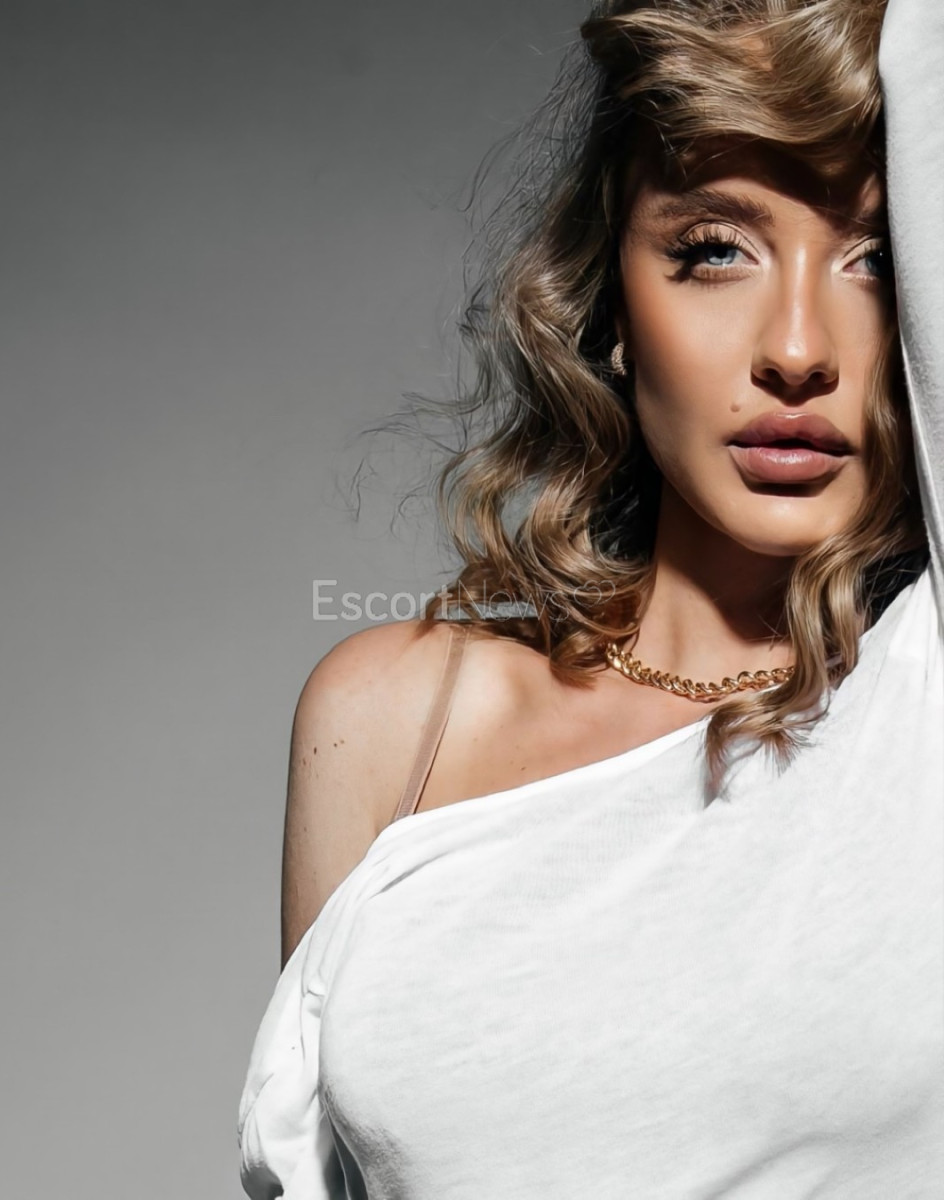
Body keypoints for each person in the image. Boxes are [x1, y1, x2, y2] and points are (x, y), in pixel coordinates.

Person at [238, 0, 943, 1195]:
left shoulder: (922, 696)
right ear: (613, 307)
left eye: (875, 260)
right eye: (715, 249)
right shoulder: (398, 719)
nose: (797, 348)